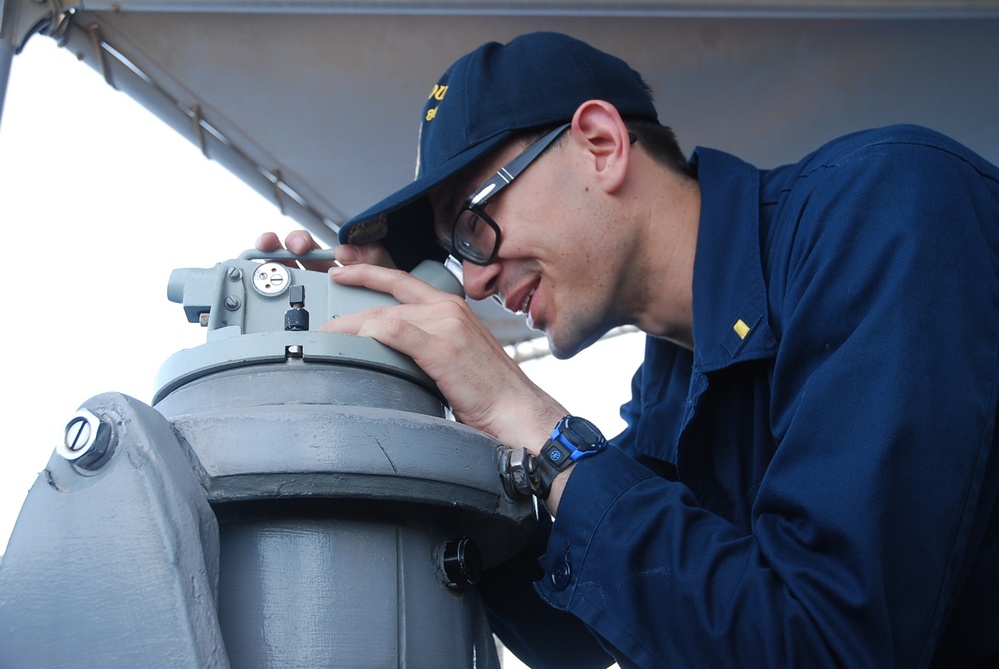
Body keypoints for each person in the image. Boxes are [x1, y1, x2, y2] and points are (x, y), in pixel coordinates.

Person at [258, 32, 999, 668]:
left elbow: (831, 642)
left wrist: (538, 426)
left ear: (601, 146)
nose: (476, 281)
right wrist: (391, 388)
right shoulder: (674, 382)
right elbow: (575, 628)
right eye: (455, 255)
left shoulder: (889, 212)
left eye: (473, 223)